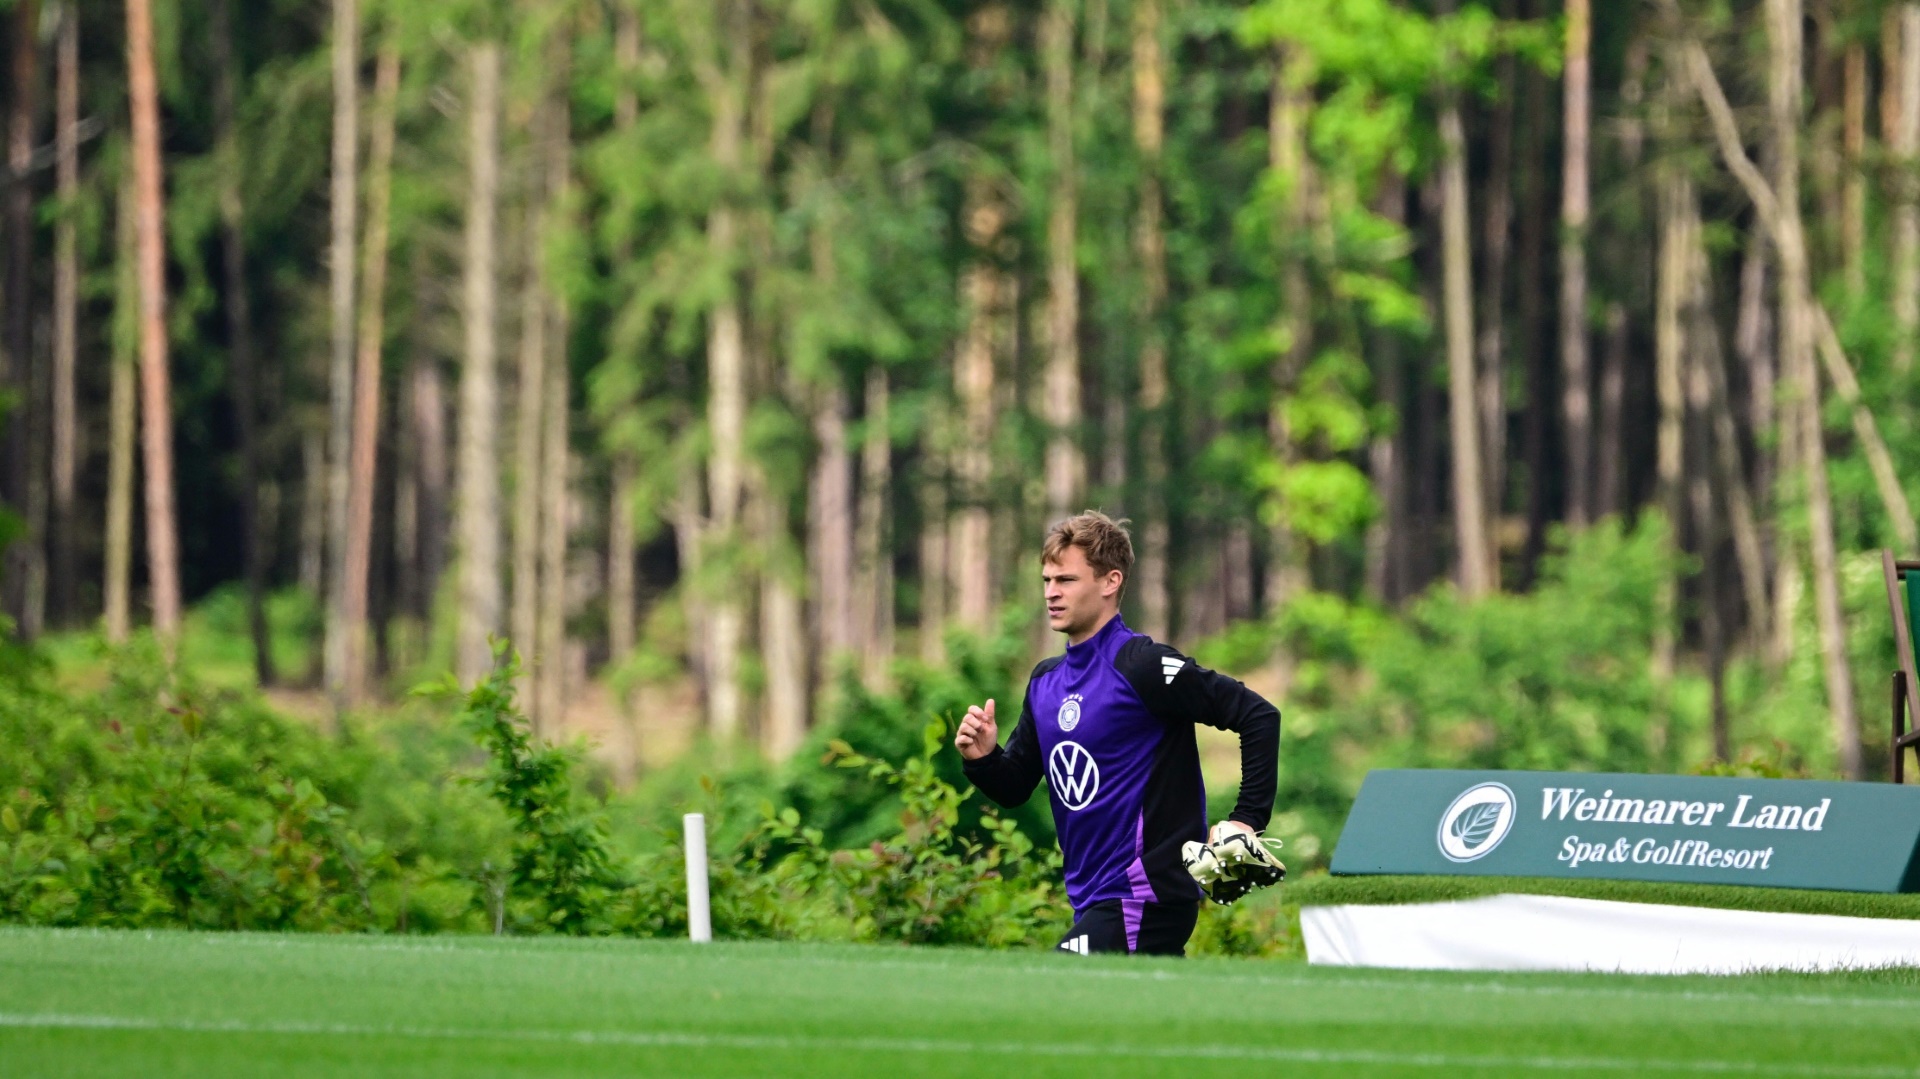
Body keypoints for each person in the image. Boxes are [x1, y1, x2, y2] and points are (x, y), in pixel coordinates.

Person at [954, 510, 1282, 957]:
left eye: (1066, 580)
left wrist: (1246, 820)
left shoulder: (1141, 665)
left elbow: (1258, 716)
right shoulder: (1044, 682)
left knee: (1058, 986)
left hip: (1145, 893)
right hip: (1091, 900)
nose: (1051, 592)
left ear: (1110, 582)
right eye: (1047, 580)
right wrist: (982, 757)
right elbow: (1014, 786)